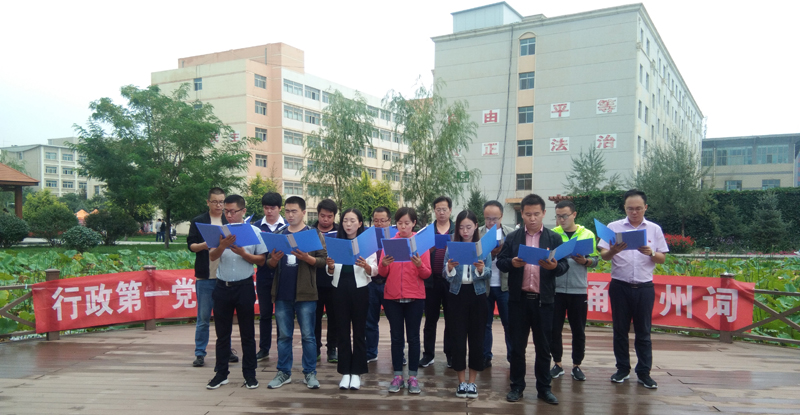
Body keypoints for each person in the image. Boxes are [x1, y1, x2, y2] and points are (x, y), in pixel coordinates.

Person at [497, 193, 569, 405]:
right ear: (522, 214)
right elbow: (500, 262)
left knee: (543, 347)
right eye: (528, 214)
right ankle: (517, 387)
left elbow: (564, 265)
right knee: (517, 347)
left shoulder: (553, 238)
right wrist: (512, 263)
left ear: (544, 213)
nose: (532, 218)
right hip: (518, 301)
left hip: (543, 301)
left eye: (536, 214)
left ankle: (544, 389)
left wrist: (554, 266)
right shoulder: (513, 237)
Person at [598, 189, 668, 390]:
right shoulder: (614, 227)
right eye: (630, 208)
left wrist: (651, 253)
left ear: (645, 207)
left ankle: (644, 372)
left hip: (644, 287)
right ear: (624, 208)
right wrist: (613, 250)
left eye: (638, 208)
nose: (634, 212)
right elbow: (604, 255)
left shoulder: (654, 229)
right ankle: (622, 369)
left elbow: (662, 258)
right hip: (620, 286)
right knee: (620, 330)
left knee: (643, 331)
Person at [205, 194, 268, 390]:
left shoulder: (254, 232)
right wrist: (222, 245)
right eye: (226, 211)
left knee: (247, 334)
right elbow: (212, 256)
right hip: (222, 287)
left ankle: (250, 374)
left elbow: (262, 260)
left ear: (243, 211)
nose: (229, 215)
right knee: (222, 334)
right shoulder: (219, 232)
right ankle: (221, 373)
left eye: (233, 211)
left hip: (244, 287)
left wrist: (243, 253)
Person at [266, 196, 327, 390]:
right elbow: (269, 263)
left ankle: (310, 373)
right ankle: (284, 372)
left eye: (294, 211)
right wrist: (274, 259)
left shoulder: (313, 234)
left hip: (306, 293)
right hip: (282, 293)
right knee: (284, 336)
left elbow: (323, 261)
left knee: (308, 336)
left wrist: (308, 258)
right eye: (287, 211)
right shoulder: (279, 234)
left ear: (303, 212)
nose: (290, 215)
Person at [379, 207, 432, 394]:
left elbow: (427, 273)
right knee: (396, 338)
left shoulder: (420, 244)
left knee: (413, 337)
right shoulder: (389, 243)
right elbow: (382, 272)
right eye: (400, 223)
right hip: (392, 297)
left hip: (415, 297)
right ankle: (397, 376)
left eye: (407, 223)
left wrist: (419, 265)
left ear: (414, 223)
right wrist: (384, 264)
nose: (403, 226)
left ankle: (413, 377)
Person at [325, 208, 378, 390]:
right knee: (342, 332)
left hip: (360, 289)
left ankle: (357, 372)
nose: (348, 224)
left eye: (353, 220)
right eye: (346, 220)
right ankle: (345, 372)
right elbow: (330, 271)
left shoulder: (367, 244)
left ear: (360, 223)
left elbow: (375, 269)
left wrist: (366, 267)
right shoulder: (336, 242)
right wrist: (330, 266)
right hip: (339, 289)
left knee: (359, 332)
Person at [186, 188, 237, 368]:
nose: (218, 205)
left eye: (221, 202)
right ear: (208, 202)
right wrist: (205, 245)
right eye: (215, 201)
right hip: (206, 276)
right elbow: (191, 246)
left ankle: (226, 350)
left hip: (225, 276)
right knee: (203, 317)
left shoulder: (229, 221)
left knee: (225, 317)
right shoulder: (199, 221)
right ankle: (200, 353)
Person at [550, 200, 599, 382]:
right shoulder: (553, 234)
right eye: (558, 216)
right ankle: (557, 363)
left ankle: (577, 365)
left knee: (578, 329)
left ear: (574, 215)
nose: (561, 219)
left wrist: (585, 261)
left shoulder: (587, 234)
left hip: (578, 290)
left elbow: (595, 260)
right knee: (554, 329)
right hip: (556, 289)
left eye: (565, 216)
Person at [444, 210, 490, 399]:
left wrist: (481, 269)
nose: (465, 231)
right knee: (458, 338)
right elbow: (445, 274)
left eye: (468, 227)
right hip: (457, 295)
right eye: (461, 227)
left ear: (476, 226)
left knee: (477, 339)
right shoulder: (452, 247)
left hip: (477, 296)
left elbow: (489, 273)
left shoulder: (483, 247)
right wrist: (449, 268)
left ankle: (472, 382)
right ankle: (461, 382)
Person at [479, 200, 515, 368]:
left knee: (509, 323)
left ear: (501, 216)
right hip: (484, 286)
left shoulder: (511, 234)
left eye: (495, 218)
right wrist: (490, 254)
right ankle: (485, 356)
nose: (491, 222)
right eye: (488, 218)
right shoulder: (477, 234)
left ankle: (513, 357)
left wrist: (501, 253)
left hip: (504, 285)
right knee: (485, 324)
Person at [420, 196, 454, 368]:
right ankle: (428, 354)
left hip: (450, 280)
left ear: (450, 210)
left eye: (444, 209)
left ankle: (450, 354)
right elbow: (418, 251)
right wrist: (428, 249)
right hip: (431, 281)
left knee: (451, 319)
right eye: (438, 209)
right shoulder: (427, 231)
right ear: (434, 210)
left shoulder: (456, 230)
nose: (441, 212)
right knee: (430, 319)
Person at [255, 192, 286, 362]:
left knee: (282, 315)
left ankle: (283, 348)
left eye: (272, 208)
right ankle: (264, 348)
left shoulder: (288, 226)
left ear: (279, 208)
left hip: (283, 277)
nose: (269, 211)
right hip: (264, 275)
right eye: (266, 208)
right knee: (265, 314)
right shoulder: (256, 227)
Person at [312, 198, 340, 363]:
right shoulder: (310, 231)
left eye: (329, 216)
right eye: (323, 216)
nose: (325, 219)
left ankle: (332, 349)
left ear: (334, 216)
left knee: (334, 317)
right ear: (318, 215)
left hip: (334, 282)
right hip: (314, 281)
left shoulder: (340, 232)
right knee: (314, 318)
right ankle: (315, 348)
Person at [366, 206, 392, 363]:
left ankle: (398, 354)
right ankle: (371, 352)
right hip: (371, 282)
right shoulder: (367, 237)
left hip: (389, 283)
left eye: (382, 220)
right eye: (376, 221)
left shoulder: (395, 237)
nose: (379, 224)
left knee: (395, 322)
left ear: (389, 221)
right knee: (370, 321)